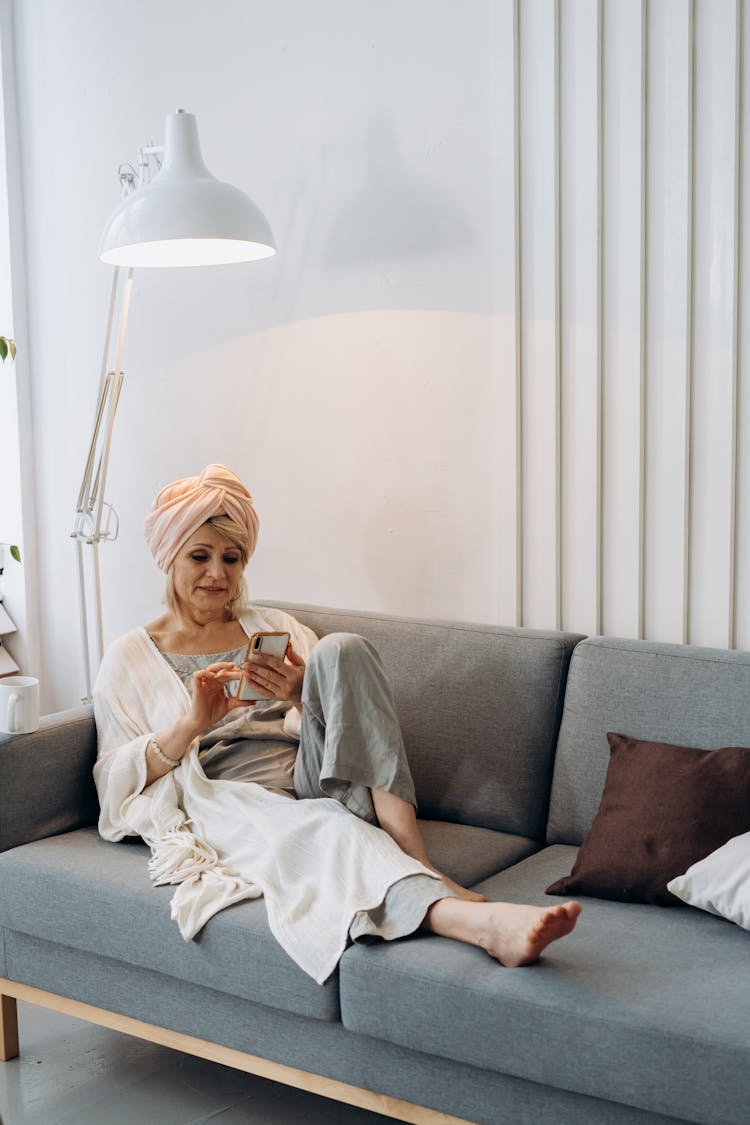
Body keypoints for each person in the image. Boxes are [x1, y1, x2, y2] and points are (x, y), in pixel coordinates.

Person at [93, 464, 581, 983]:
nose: (217, 573)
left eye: (230, 558)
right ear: (169, 558)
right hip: (234, 797)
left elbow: (344, 716)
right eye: (200, 556)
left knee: (341, 647)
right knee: (326, 828)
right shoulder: (130, 655)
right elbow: (112, 780)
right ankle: (481, 925)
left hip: (317, 774)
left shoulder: (274, 627)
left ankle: (411, 849)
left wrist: (300, 693)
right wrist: (192, 722)